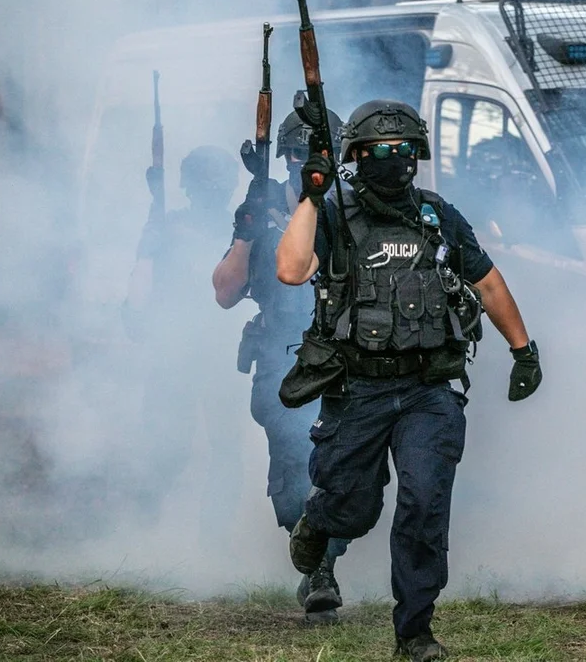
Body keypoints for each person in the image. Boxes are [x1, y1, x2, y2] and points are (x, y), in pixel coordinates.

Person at [275, 100, 543, 662]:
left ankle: (414, 632)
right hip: (358, 389)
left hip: (430, 388)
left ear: (416, 155)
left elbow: (488, 283)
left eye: (402, 150)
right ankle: (320, 523)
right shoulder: (333, 214)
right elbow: (292, 269)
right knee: (353, 507)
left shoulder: (437, 215)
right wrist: (313, 194)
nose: (392, 160)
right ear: (355, 156)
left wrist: (524, 349)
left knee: (424, 503)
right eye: (377, 151)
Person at [211, 109, 350, 625]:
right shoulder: (263, 213)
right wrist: (247, 229)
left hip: (345, 357)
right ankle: (318, 572)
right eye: (298, 156)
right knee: (294, 461)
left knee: (345, 469)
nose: (305, 165)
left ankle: (326, 556)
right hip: (282, 361)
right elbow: (226, 292)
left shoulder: (350, 211)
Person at [124, 145, 246, 548]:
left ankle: (206, 539)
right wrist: (137, 314)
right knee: (168, 446)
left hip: (213, 349)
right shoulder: (174, 224)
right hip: (179, 348)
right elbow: (142, 274)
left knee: (213, 448)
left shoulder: (238, 229)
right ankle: (151, 529)